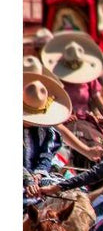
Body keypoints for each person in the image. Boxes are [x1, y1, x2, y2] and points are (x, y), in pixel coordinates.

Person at [41, 32, 103, 134]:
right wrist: (62, 117)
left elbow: (102, 106)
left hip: (87, 122)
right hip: (62, 124)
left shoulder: (88, 79)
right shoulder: (55, 79)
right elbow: (48, 104)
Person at [23, 74, 72, 204]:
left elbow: (46, 154)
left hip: (37, 176)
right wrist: (28, 179)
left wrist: (38, 175)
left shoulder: (46, 131)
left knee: (70, 194)